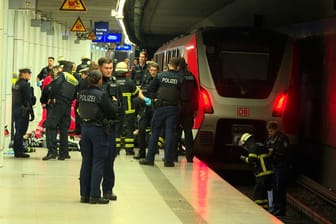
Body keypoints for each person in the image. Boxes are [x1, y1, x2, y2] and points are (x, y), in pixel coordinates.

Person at [78, 70, 118, 204]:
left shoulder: (82, 94)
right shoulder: (101, 95)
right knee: (98, 162)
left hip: (85, 129)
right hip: (98, 130)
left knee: (86, 162)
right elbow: (112, 112)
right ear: (99, 80)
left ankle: (84, 194)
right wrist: (114, 103)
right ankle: (95, 195)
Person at [139, 57, 184, 167]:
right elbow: (184, 95)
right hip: (173, 108)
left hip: (160, 108)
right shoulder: (180, 79)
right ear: (178, 67)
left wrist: (155, 98)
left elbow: (150, 89)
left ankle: (150, 159)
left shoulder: (160, 76)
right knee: (169, 134)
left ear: (169, 65)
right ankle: (168, 160)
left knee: (155, 132)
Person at [43, 61, 79, 160]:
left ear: (63, 68)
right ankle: (64, 153)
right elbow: (75, 94)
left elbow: (55, 86)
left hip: (58, 103)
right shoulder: (74, 79)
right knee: (64, 129)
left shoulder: (63, 76)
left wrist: (52, 97)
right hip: (67, 104)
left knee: (50, 126)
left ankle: (52, 152)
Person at [98, 57, 119, 201]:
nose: (109, 71)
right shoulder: (95, 84)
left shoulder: (114, 83)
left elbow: (120, 105)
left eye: (111, 68)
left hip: (111, 127)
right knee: (98, 160)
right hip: (98, 126)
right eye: (106, 68)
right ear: (100, 68)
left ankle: (108, 189)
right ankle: (93, 190)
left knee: (109, 159)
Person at [239, 133, 273, 208]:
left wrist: (243, 158)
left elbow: (251, 160)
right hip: (268, 172)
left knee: (258, 193)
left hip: (262, 173)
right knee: (264, 194)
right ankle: (265, 208)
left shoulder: (253, 147)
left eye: (244, 145)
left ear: (246, 141)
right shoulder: (260, 144)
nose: (244, 147)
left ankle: (259, 209)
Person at [114, 61, 141, 155]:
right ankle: (129, 150)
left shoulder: (113, 82)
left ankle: (116, 150)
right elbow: (136, 93)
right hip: (129, 111)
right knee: (129, 129)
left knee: (117, 129)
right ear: (126, 72)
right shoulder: (129, 82)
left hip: (116, 111)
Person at [134, 62, 159, 159]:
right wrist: (145, 99)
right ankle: (141, 152)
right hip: (145, 107)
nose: (153, 72)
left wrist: (154, 101)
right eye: (151, 70)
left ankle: (153, 150)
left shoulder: (159, 80)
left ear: (158, 71)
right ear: (149, 70)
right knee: (141, 129)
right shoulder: (145, 79)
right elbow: (140, 92)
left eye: (155, 71)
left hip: (155, 108)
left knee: (154, 130)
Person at [176, 57, 199, 163]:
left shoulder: (176, 76)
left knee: (176, 131)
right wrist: (195, 108)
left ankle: (173, 154)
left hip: (178, 105)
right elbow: (196, 93)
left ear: (177, 66)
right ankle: (189, 156)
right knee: (188, 132)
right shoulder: (191, 76)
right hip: (189, 106)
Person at [266, 121, 290, 216]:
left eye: (271, 131)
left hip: (281, 166)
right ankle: (275, 207)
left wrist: (274, 151)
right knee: (275, 187)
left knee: (280, 187)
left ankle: (281, 209)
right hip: (274, 165)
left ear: (276, 129)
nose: (270, 133)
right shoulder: (270, 138)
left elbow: (286, 151)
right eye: (269, 131)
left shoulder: (283, 138)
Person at [12, 68, 35, 158]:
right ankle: (19, 151)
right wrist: (32, 112)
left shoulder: (16, 84)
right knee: (21, 131)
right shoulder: (25, 85)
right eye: (29, 73)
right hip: (23, 110)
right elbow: (28, 100)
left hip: (16, 109)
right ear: (24, 74)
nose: (30, 75)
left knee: (18, 130)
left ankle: (17, 148)